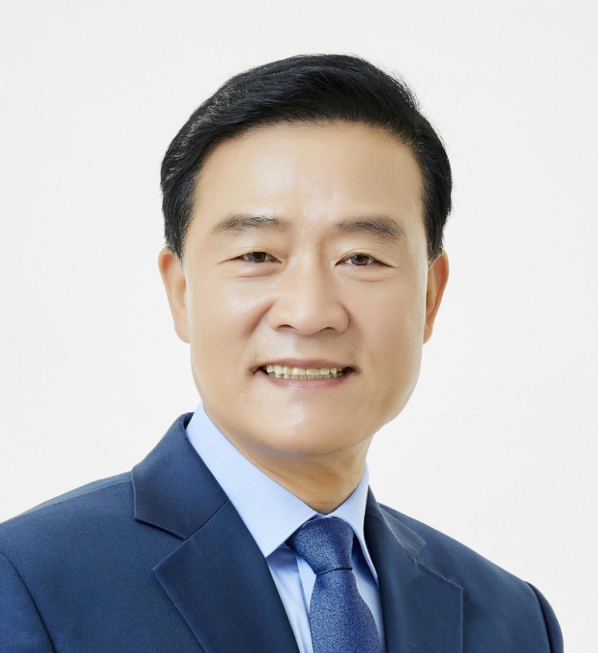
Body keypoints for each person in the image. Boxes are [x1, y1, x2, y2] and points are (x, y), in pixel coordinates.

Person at [0, 54, 562, 653]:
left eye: (361, 258)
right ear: (182, 292)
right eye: (257, 256)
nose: (310, 311)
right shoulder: (28, 581)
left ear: (429, 296)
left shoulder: (513, 620)